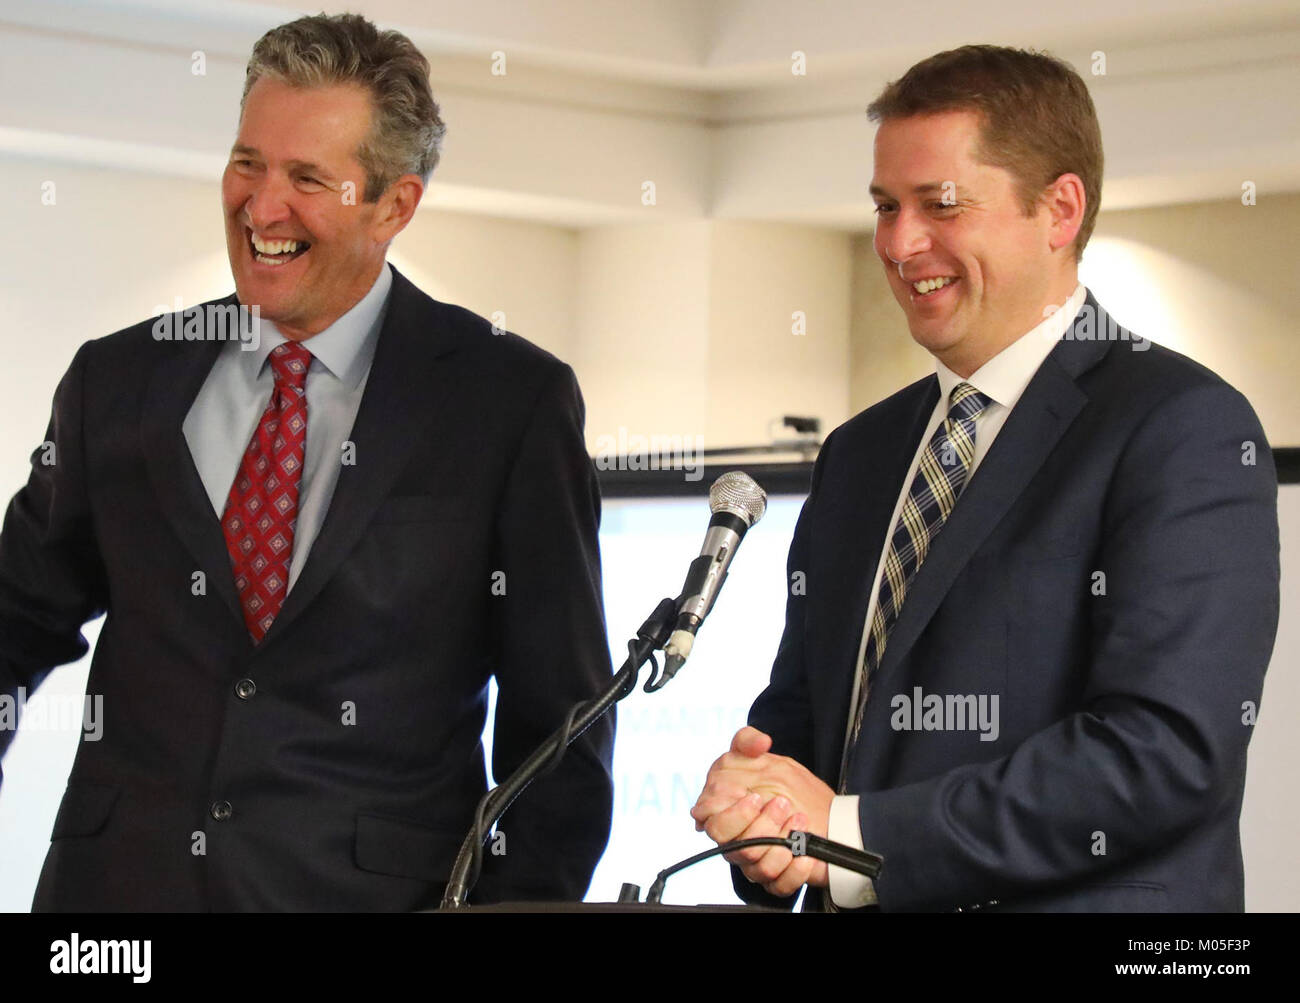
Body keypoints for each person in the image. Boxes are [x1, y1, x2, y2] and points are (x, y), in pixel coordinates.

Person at [0, 12, 614, 910]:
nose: (262, 205)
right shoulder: (120, 378)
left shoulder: (506, 403)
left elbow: (559, 732)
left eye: (307, 178)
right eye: (248, 162)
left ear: (394, 205)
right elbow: (15, 614)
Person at [690, 44, 1279, 912]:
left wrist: (853, 836)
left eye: (941, 205)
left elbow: (1162, 753)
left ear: (1060, 209)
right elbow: (812, 725)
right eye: (886, 205)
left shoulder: (1180, 427)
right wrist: (763, 814)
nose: (898, 242)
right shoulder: (859, 454)